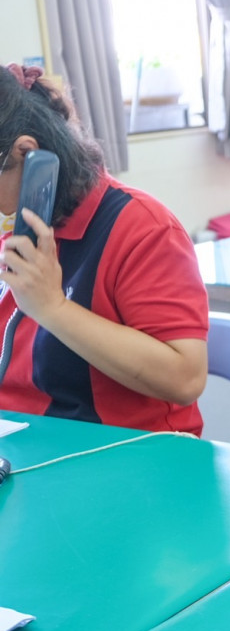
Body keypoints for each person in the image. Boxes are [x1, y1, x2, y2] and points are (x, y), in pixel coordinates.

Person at [0, 64, 208, 435]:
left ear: (26, 153)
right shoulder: (17, 228)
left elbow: (185, 378)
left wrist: (52, 308)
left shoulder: (143, 229)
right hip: (29, 446)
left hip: (126, 457)